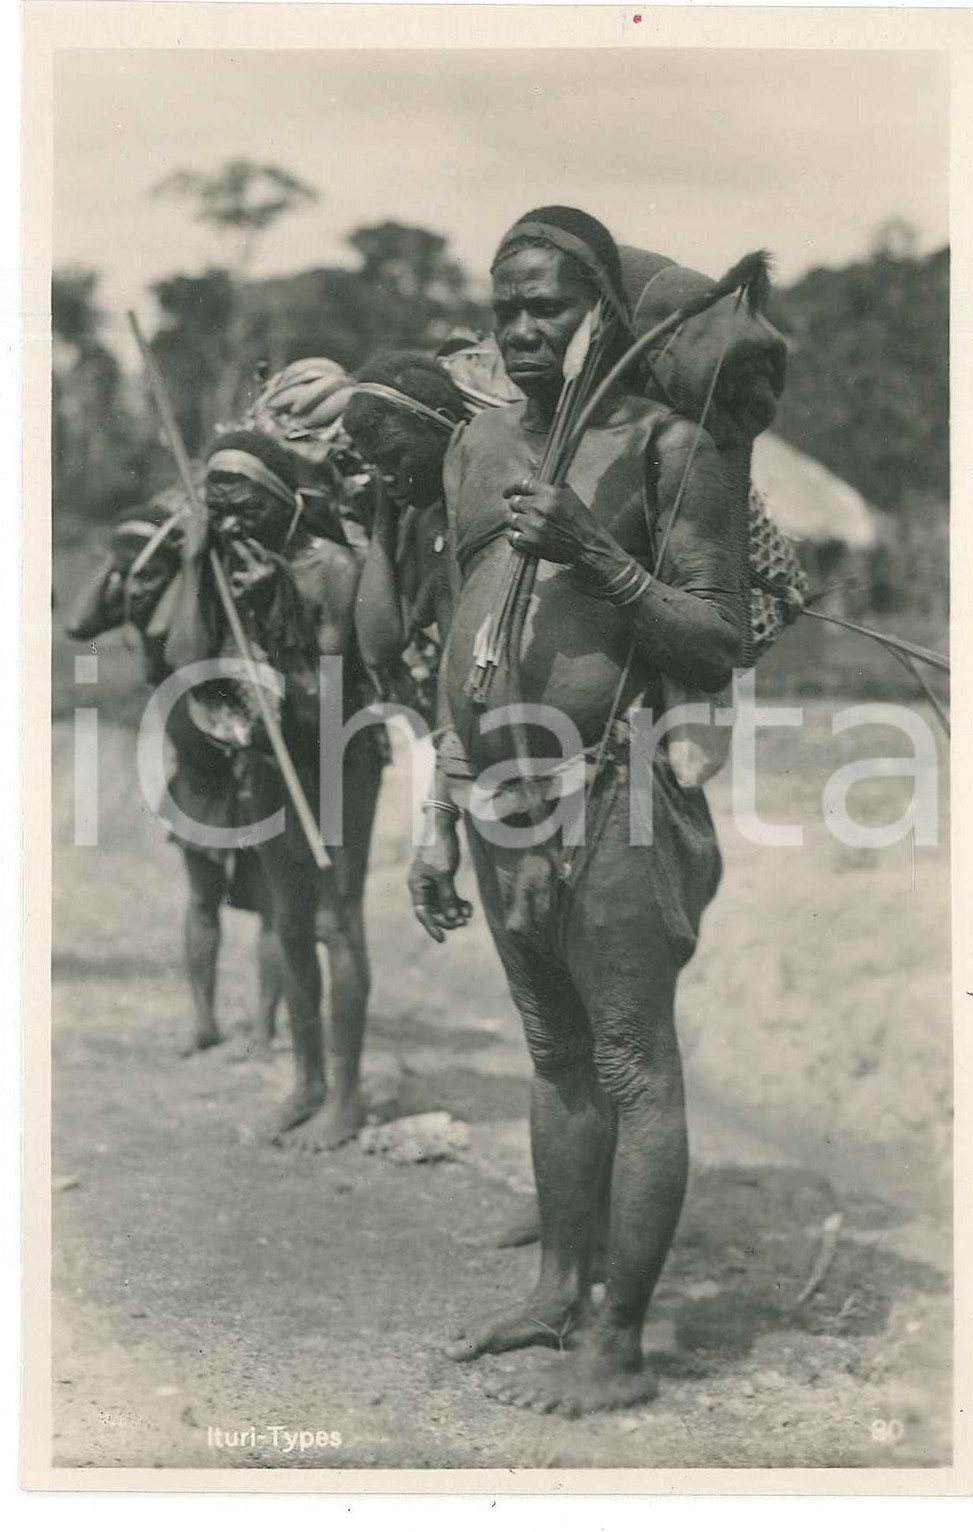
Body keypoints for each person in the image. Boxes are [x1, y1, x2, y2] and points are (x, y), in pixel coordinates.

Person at [407, 207, 745, 1415]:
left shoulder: (667, 447)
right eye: (506, 304)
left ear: (601, 303)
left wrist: (596, 552)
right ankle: (558, 1289)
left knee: (629, 1059)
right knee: (554, 1053)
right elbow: (457, 632)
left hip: (616, 790)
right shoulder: (476, 445)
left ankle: (621, 1339)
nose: (524, 325)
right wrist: (441, 804)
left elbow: (716, 638)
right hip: (497, 801)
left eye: (548, 301)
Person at [166, 430, 383, 1148]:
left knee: (334, 920)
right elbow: (186, 659)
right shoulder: (228, 567)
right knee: (289, 922)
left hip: (338, 753)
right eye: (220, 505)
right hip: (265, 754)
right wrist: (199, 564)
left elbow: (325, 703)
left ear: (281, 496)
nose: (234, 519)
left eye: (245, 502)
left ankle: (346, 1098)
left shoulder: (331, 569)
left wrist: (281, 597)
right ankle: (307, 1083)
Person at [65, 495, 284, 1058]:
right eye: (130, 575)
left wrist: (189, 562)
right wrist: (118, 563)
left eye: (148, 574)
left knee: (272, 905)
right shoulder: (141, 593)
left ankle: (265, 1028)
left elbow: (184, 648)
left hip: (247, 761)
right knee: (202, 897)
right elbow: (78, 623)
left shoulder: (201, 593)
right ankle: (205, 1020)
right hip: (199, 772)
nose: (136, 586)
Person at [342, 351, 465, 724]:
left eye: (396, 457)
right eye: (374, 465)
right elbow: (378, 646)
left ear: (445, 427)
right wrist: (385, 514)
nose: (387, 476)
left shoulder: (503, 503)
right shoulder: (422, 522)